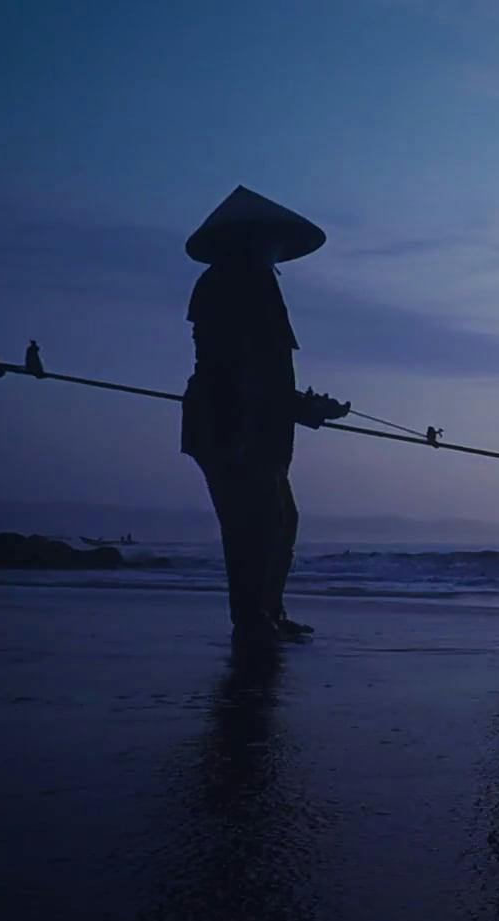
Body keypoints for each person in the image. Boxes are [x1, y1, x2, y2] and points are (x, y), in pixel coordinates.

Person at [181, 186, 348, 643]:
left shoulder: (249, 281)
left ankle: (266, 614)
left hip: (251, 422)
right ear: (255, 238)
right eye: (274, 240)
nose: (279, 251)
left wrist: (301, 407)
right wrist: (298, 407)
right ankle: (253, 621)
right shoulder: (236, 281)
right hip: (231, 423)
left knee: (277, 520)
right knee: (252, 526)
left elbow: (264, 373)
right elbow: (239, 368)